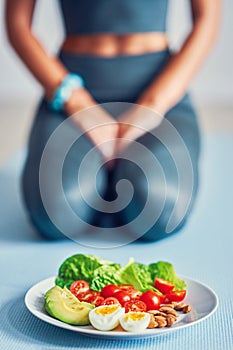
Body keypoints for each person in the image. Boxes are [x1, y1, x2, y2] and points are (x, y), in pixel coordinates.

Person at [6, 0, 220, 241]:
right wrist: (77, 103)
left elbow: (206, 20)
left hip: (160, 91)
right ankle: (110, 179)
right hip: (69, 93)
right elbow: (18, 24)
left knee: (159, 212)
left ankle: (114, 178)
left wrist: (152, 105)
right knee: (53, 215)